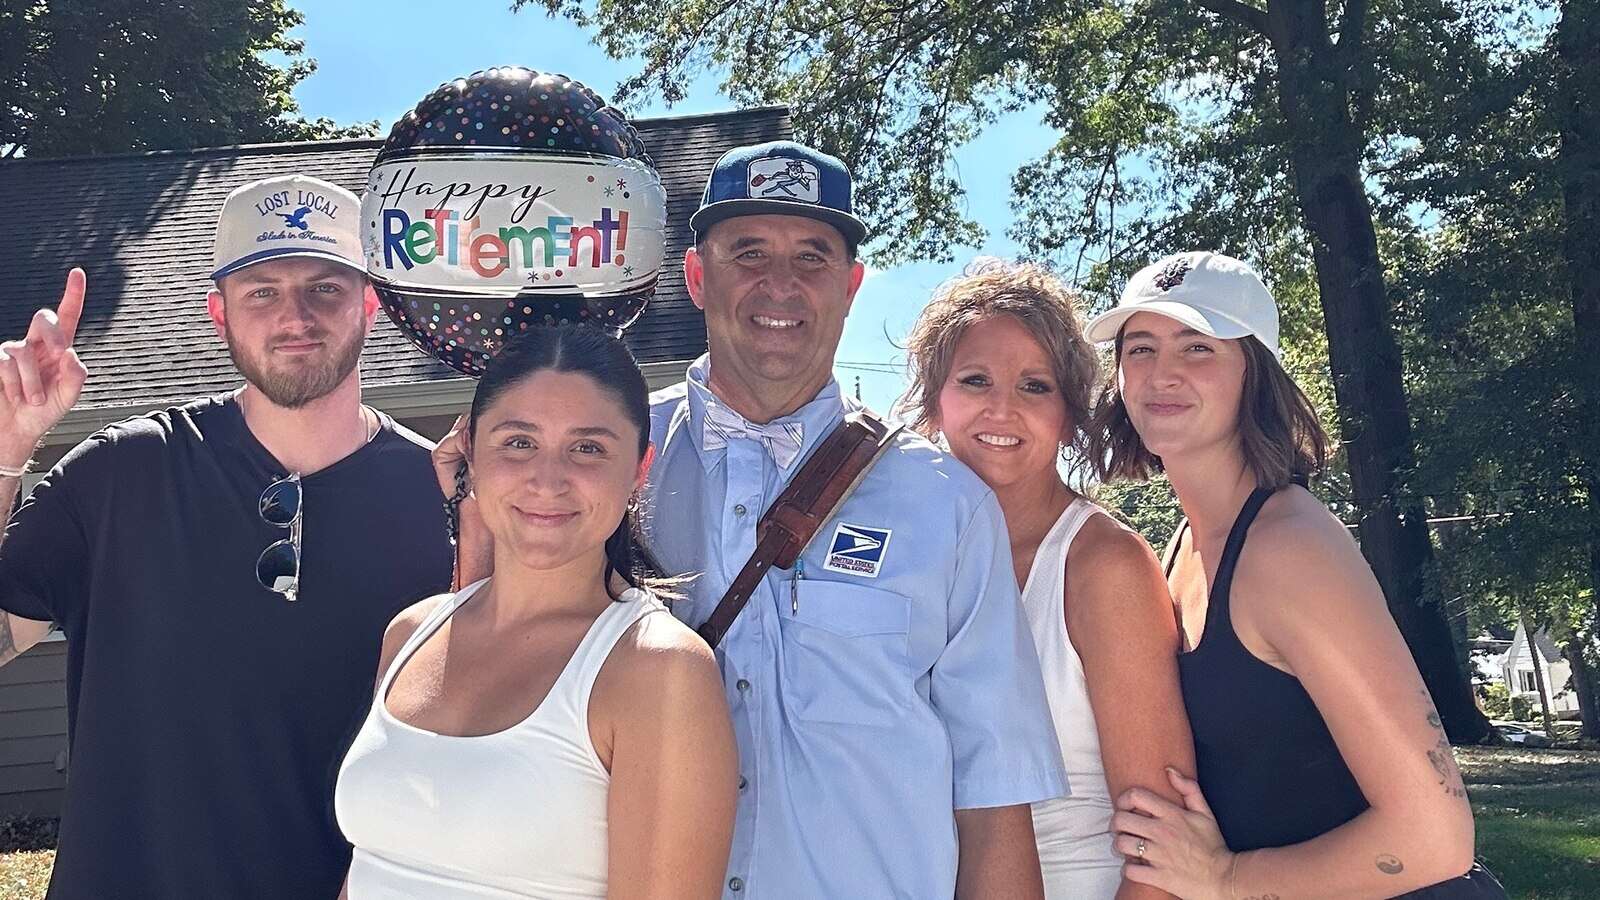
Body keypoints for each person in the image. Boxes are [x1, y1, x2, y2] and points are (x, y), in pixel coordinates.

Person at [0, 175, 453, 899]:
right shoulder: (126, 471)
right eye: (262, 292)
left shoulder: (440, 499)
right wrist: (5, 450)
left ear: (370, 302)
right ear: (220, 314)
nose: (294, 316)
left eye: (325, 289)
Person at [645, 141, 1066, 899]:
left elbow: (994, 796)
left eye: (813, 257)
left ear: (851, 285)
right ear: (697, 276)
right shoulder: (604, 468)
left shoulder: (945, 502)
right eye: (749, 253)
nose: (782, 284)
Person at [1089, 252, 1505, 898]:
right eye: (1139, 348)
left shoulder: (1288, 548)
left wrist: (1225, 880)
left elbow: (1434, 838)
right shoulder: (1181, 549)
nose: (1161, 373)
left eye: (1198, 347)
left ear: (1256, 376)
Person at [335, 325, 738, 899]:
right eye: (519, 442)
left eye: (588, 448)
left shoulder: (658, 672)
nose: (547, 480)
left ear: (639, 469)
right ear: (470, 450)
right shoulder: (410, 635)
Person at [898, 258, 1195, 899]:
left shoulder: (1100, 565)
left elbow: (1166, 846)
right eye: (975, 380)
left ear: (1068, 414)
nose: (1002, 410)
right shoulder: (902, 557)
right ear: (933, 401)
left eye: (1035, 387)